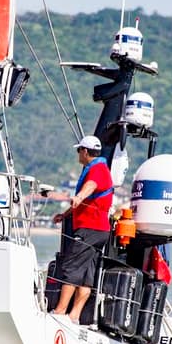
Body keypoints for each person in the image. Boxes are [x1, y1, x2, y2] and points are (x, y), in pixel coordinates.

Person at [51, 135, 114, 324]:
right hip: (100, 231)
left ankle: (60, 312)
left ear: (85, 152)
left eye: (79, 150)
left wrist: (78, 196)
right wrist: (66, 214)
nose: (78, 154)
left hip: (89, 230)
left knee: (72, 268)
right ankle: (74, 316)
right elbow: (88, 197)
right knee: (87, 274)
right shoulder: (100, 168)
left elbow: (90, 186)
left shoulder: (97, 169)